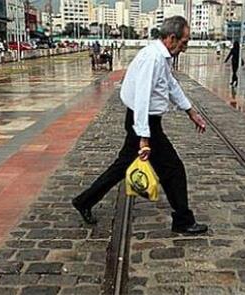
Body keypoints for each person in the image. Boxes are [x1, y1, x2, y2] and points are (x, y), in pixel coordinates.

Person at [72, 16, 209, 235]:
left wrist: (190, 111)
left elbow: (170, 85)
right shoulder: (152, 59)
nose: (186, 47)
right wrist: (144, 137)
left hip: (143, 122)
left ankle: (85, 201)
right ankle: (183, 219)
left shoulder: (162, 56)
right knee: (173, 169)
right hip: (144, 122)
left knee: (123, 166)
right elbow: (142, 98)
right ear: (172, 39)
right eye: (184, 42)